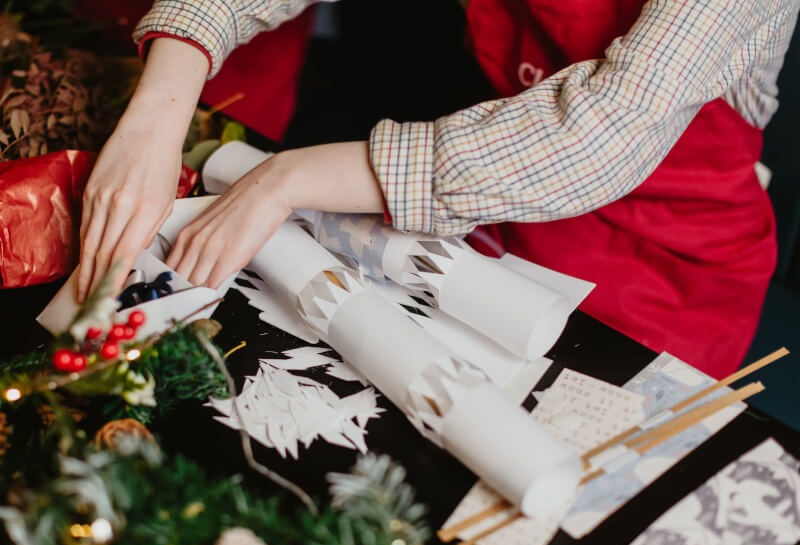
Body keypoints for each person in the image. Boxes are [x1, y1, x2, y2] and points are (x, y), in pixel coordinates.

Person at [76, 0, 799, 378]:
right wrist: (158, 109)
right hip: (490, 220)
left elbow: (594, 135)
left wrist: (283, 177)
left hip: (665, 272)